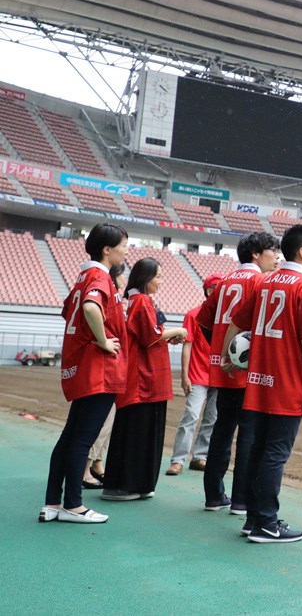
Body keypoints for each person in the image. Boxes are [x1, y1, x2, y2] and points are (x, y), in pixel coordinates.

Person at [230, 223, 302, 543]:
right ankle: (267, 523)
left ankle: (254, 518)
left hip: (259, 380)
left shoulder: (266, 280)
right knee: (275, 453)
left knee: (257, 449)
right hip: (286, 381)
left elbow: (238, 321)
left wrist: (230, 358)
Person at [40, 223, 127, 524]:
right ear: (107, 249)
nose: (126, 250)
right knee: (82, 439)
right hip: (98, 370)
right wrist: (103, 340)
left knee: (69, 437)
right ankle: (73, 505)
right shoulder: (99, 276)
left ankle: (52, 502)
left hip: (82, 367)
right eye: (123, 245)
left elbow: (70, 311)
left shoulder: (81, 276)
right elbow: (90, 308)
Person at [196, 232, 279, 515]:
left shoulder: (225, 281)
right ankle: (241, 500)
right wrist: (239, 354)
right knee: (249, 435)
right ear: (256, 254)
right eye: (272, 250)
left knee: (221, 430)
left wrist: (222, 350)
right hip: (247, 373)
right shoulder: (261, 281)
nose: (276, 256)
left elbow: (203, 320)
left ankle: (213, 496)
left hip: (223, 371)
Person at [101, 257, 186, 501]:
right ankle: (127, 484)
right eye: (158, 276)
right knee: (138, 432)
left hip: (148, 379)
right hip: (144, 381)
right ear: (146, 278)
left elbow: (149, 336)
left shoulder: (138, 300)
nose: (161, 281)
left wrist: (167, 337)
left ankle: (136, 484)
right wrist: (177, 331)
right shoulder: (140, 301)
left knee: (142, 431)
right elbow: (151, 335)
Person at [166, 274, 223, 476]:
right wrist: (185, 375)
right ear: (208, 291)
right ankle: (178, 460)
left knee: (212, 419)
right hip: (198, 376)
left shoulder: (226, 317)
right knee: (191, 415)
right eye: (217, 288)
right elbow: (187, 347)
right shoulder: (194, 315)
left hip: (219, 376)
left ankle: (200, 456)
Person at [83, 263, 126, 491]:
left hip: (110, 368)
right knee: (99, 422)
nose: (124, 280)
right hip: (103, 368)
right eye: (122, 276)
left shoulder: (115, 297)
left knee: (107, 422)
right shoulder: (103, 287)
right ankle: (84, 470)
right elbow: (90, 308)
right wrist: (103, 340)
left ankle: (97, 464)